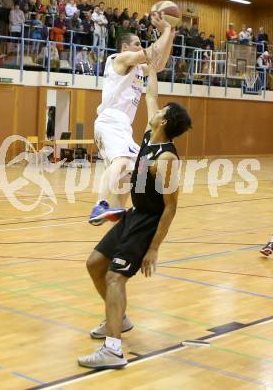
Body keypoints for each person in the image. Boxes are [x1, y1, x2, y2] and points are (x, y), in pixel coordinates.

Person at [78, 66, 192, 369]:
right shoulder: (147, 136)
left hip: (147, 222)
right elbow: (151, 94)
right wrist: (151, 65)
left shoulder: (167, 159)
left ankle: (113, 350)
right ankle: (119, 319)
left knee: (116, 277)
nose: (153, 110)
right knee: (95, 264)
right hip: (133, 215)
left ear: (163, 122)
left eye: (160, 112)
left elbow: (171, 206)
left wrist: (154, 247)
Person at [88, 13, 176, 225]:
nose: (140, 47)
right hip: (109, 120)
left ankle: (119, 211)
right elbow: (150, 53)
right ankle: (99, 205)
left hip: (122, 127)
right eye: (136, 44)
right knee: (120, 161)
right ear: (125, 47)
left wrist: (171, 34)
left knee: (140, 166)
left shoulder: (138, 68)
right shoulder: (119, 59)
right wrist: (164, 31)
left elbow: (159, 63)